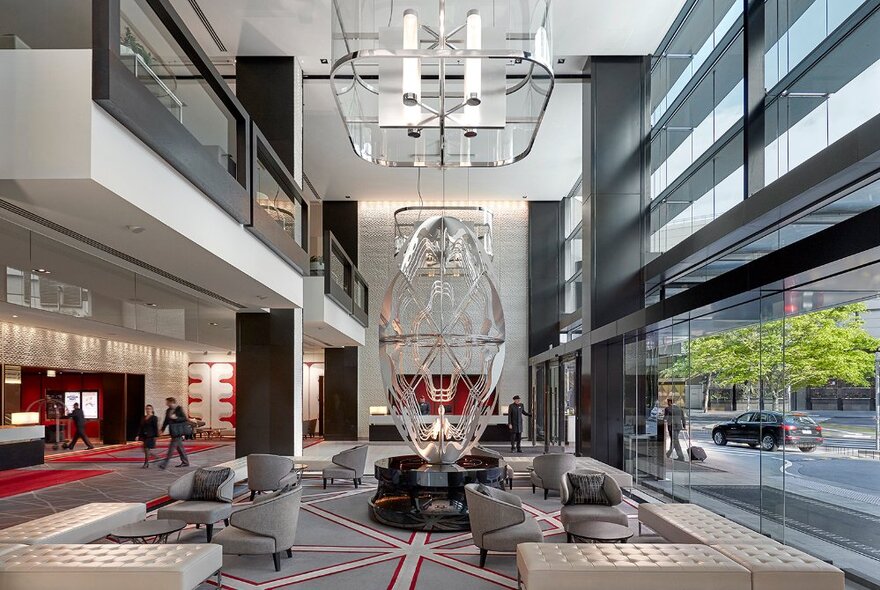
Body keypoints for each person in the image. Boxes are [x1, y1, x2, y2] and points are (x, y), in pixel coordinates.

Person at [159, 397, 190, 469]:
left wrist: (176, 418)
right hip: (173, 431)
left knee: (171, 448)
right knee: (180, 448)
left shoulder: (179, 409)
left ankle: (164, 463)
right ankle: (185, 462)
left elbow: (184, 419)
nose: (166, 404)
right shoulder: (168, 410)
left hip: (178, 432)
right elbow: (166, 421)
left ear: (171, 402)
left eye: (167, 402)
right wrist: (162, 430)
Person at [664, 397, 687, 461]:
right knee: (674, 440)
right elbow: (683, 418)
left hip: (672, 426)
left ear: (669, 402)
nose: (667, 403)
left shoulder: (668, 409)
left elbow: (665, 418)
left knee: (675, 441)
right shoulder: (680, 409)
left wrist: (662, 418)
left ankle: (681, 456)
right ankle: (668, 454)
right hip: (678, 427)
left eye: (667, 402)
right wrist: (684, 426)